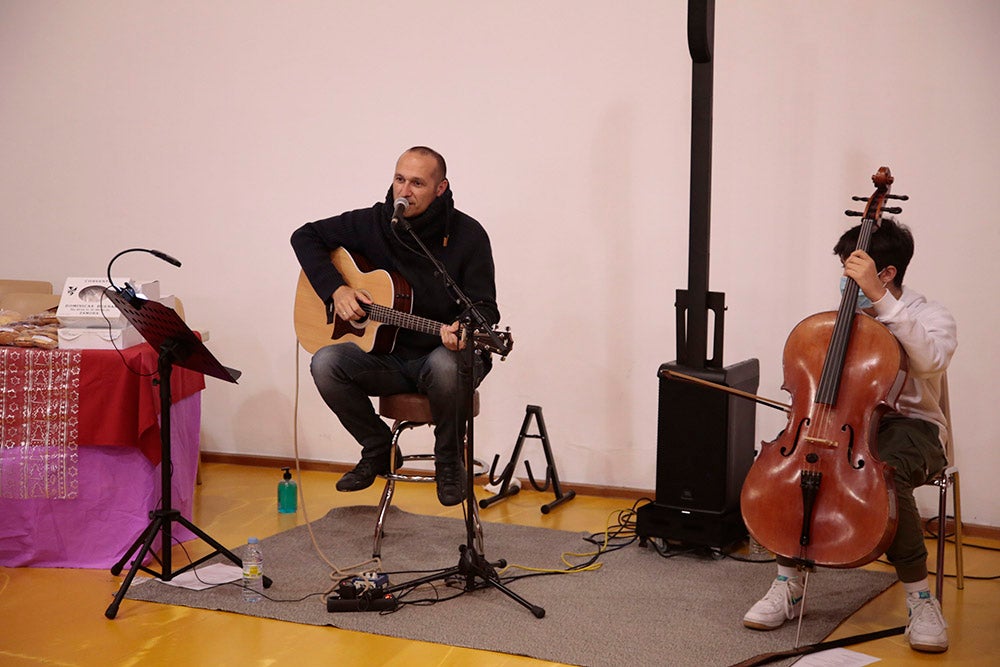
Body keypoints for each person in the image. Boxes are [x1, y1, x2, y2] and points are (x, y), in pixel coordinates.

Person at [742, 218, 957, 654]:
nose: (846, 282)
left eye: (854, 271)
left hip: (913, 427)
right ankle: (788, 583)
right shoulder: (840, 322)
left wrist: (881, 303)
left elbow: (931, 362)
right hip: (841, 425)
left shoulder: (931, 316)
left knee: (885, 475)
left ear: (887, 273)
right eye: (844, 271)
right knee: (804, 464)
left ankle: (919, 599)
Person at [290, 146, 500, 506]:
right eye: (400, 179)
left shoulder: (468, 235)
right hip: (387, 358)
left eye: (417, 183)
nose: (404, 191)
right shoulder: (374, 223)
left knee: (446, 365)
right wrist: (337, 289)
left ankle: (448, 462)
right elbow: (305, 236)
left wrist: (462, 329)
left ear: (441, 188)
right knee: (325, 363)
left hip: (442, 354)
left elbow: (485, 309)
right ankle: (378, 448)